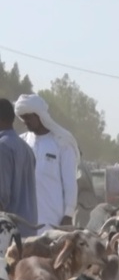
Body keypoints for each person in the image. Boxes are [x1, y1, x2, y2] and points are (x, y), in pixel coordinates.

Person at [14, 93, 78, 229]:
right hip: (25, 220)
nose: (25, 121)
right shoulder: (22, 142)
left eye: (28, 117)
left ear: (39, 116)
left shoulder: (61, 142)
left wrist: (68, 214)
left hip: (53, 219)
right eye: (22, 118)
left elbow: (70, 183)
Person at [0, 97, 37, 230]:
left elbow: (1, 198)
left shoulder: (3, 147)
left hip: (8, 236)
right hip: (28, 234)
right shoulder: (26, 149)